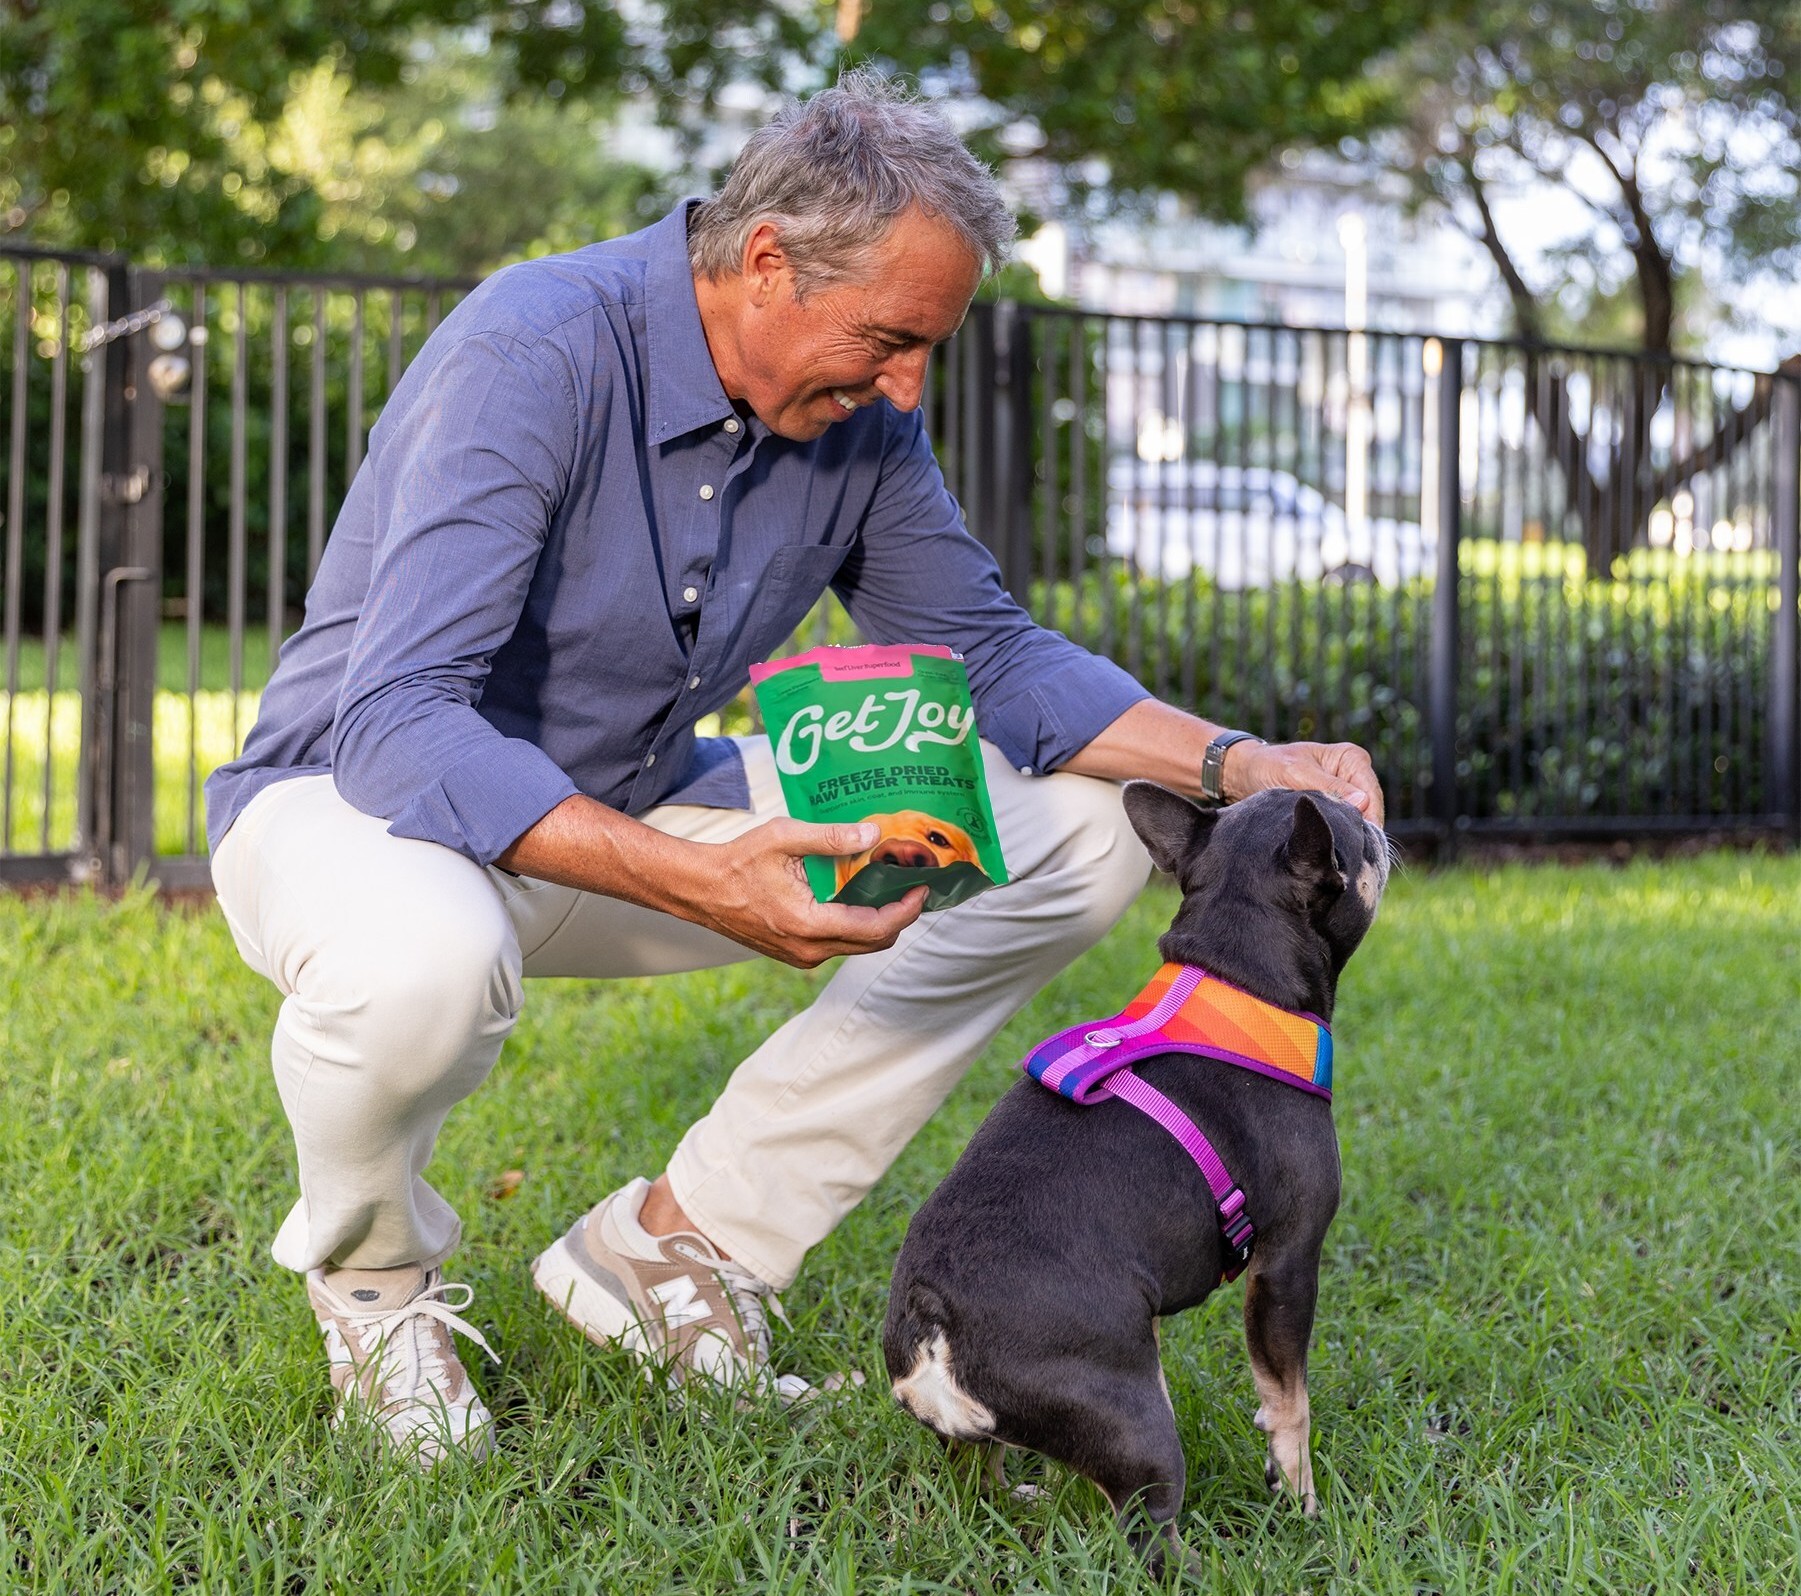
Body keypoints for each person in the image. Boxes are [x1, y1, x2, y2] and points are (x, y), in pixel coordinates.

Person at [205, 70, 1384, 1466]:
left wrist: (1242, 762)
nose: (907, 384)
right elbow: (400, 716)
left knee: (1072, 833)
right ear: (765, 262)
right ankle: (375, 1286)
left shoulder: (862, 421)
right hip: (356, 814)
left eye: (927, 347)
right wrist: (699, 883)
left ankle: (683, 1247)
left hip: (634, 802)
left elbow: (986, 654)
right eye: (891, 339)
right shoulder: (536, 346)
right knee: (423, 960)